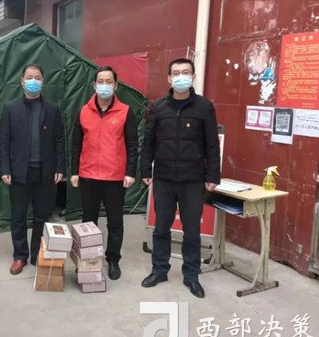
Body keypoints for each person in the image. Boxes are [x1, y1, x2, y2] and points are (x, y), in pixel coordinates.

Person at [141, 58, 221, 298]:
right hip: (164, 178)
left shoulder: (204, 107)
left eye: (185, 72)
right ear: (169, 78)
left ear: (193, 77)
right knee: (161, 228)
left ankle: (191, 275)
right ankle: (159, 270)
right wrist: (145, 171)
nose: (180, 77)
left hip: (193, 180)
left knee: (192, 231)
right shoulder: (157, 107)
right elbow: (149, 142)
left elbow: (212, 145)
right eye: (176, 73)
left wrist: (213, 175)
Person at [71, 66, 138, 281]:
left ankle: (113, 260)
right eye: (101, 81)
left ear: (116, 86)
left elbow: (133, 145)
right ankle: (88, 260)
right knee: (88, 222)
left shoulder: (125, 111)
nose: (104, 85)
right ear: (94, 85)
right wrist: (74, 171)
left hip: (114, 178)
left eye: (109, 82)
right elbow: (76, 145)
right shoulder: (84, 111)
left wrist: (130, 172)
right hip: (88, 176)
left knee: (115, 222)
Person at [0, 64, 65, 275]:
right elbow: (4, 142)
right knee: (18, 216)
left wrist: (60, 167)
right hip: (19, 172)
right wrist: (5, 168)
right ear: (22, 81)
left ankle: (37, 253)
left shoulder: (52, 109)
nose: (33, 81)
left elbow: (59, 140)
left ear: (43, 81)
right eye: (29, 77)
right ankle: (20, 256)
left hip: (45, 172)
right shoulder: (10, 108)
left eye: (37, 77)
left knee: (41, 215)